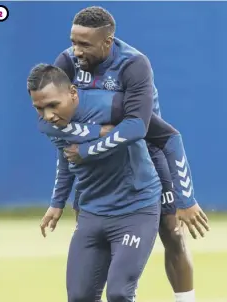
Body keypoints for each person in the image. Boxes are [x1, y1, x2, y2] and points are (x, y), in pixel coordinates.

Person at [51, 6, 209, 302]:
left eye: (84, 44)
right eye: (74, 42)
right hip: (103, 160)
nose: (76, 51)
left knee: (172, 231)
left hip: (146, 152)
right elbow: (55, 116)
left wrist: (186, 199)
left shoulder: (134, 65)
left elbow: (142, 128)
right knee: (91, 228)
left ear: (107, 42)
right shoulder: (67, 62)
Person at [28, 63, 162, 302]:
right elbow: (67, 157)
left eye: (52, 105)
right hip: (92, 213)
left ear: (72, 92)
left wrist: (180, 197)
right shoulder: (50, 124)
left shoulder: (113, 105)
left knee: (119, 293)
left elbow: (159, 134)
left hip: (135, 210)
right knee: (79, 297)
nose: (48, 115)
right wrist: (57, 202)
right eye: (39, 108)